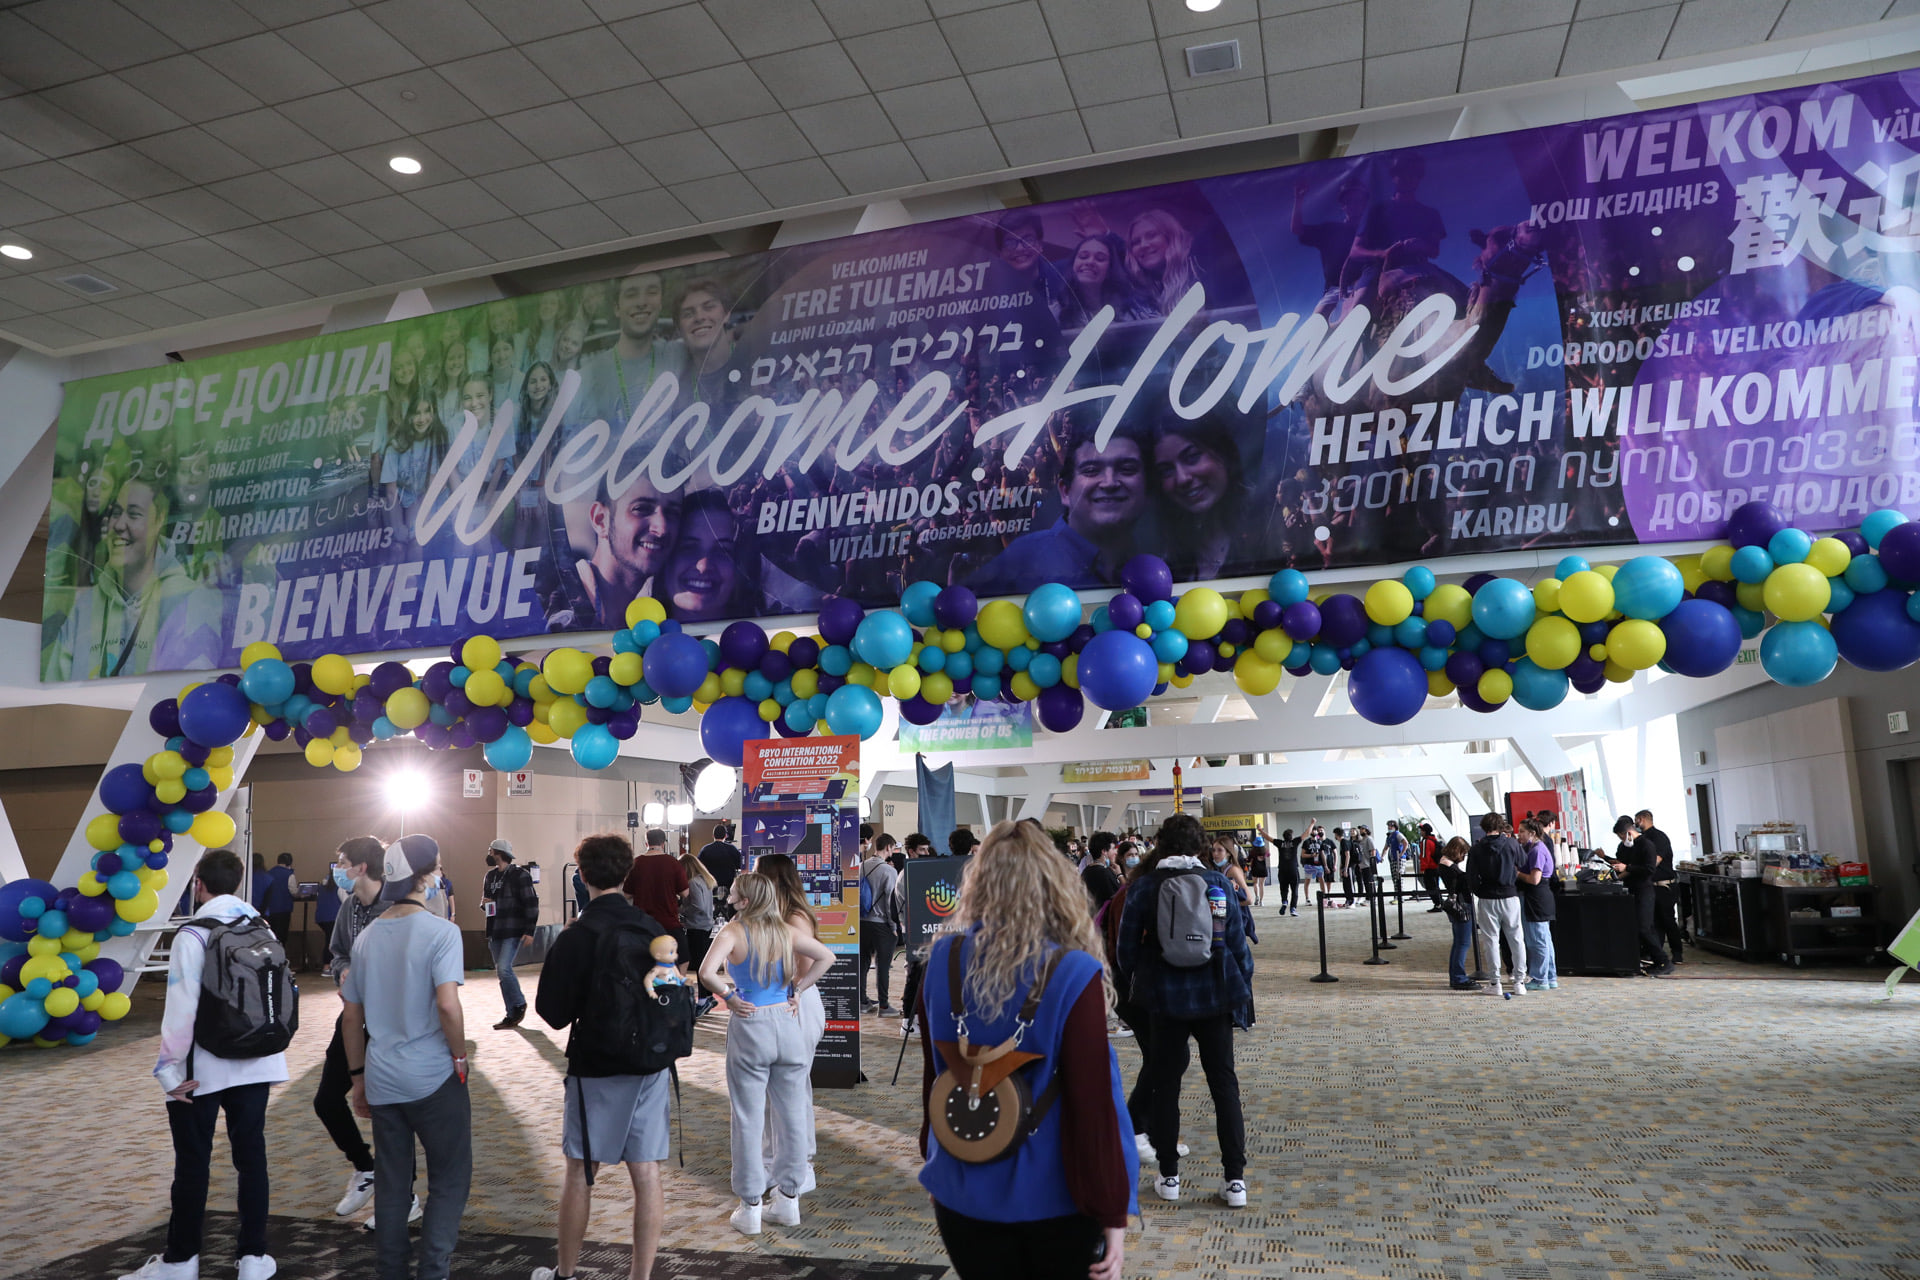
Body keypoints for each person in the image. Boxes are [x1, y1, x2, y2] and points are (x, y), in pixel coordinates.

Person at [918, 820, 1136, 1279]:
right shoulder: (1074, 972)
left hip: (961, 1184)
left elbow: (936, 1074)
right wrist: (1113, 1209)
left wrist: (934, 1157)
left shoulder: (942, 959)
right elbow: (1093, 1103)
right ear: (1053, 884)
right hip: (1056, 1197)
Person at [119, 849, 285, 1280]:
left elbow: (180, 1010)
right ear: (239, 881)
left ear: (198, 883)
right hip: (258, 1061)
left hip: (200, 1069)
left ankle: (182, 1260)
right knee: (252, 1158)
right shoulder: (262, 926)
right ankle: (253, 1257)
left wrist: (168, 1071)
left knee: (193, 1163)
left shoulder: (194, 934)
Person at [532, 834, 675, 1280]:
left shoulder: (578, 935)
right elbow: (669, 998)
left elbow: (552, 1014)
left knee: (581, 1169)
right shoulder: (651, 928)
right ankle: (640, 1276)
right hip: (649, 1065)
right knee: (646, 1170)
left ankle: (567, 1272)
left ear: (582, 875)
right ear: (626, 874)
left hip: (594, 1065)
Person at [342, 835, 471, 1280]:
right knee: (450, 1176)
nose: (440, 875)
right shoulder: (442, 933)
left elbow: (350, 1018)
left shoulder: (367, 938)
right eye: (436, 868)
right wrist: (459, 1056)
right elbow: (448, 1005)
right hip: (433, 1075)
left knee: (393, 1183)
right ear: (421, 877)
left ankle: (391, 1271)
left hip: (382, 1077)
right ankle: (433, 1270)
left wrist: (358, 1077)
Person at [1117, 813, 1252, 1208]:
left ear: (1160, 844)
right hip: (1214, 996)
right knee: (1223, 1084)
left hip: (1165, 999)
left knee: (1165, 1085)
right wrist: (1240, 987)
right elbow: (1238, 945)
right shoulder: (1219, 883)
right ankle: (1235, 1181)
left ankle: (1169, 1176)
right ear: (1200, 847)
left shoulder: (1143, 888)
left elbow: (1125, 950)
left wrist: (1144, 977)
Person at [698, 872, 837, 1236]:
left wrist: (729, 997)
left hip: (751, 1022)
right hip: (786, 1025)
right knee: (792, 1114)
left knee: (747, 1116)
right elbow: (826, 956)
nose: (729, 898)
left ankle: (750, 1206)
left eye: (734, 894)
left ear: (744, 900)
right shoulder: (785, 930)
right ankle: (788, 1200)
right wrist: (800, 990)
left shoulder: (732, 932)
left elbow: (705, 972)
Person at [970, 420, 1151, 594]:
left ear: (1147, 486)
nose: (1109, 483)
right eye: (1091, 471)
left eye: (1126, 468)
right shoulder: (1022, 558)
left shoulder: (1160, 555)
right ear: (1065, 491)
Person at [317, 837, 393, 1226]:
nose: (338, 868)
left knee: (386, 1110)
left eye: (342, 861)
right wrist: (343, 968)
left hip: (388, 1021)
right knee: (327, 1100)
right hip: (352, 1016)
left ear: (362, 867)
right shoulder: (349, 907)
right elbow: (339, 951)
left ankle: (403, 1194)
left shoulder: (394, 908)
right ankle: (366, 1167)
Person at [1150, 415, 1249, 581]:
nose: (1182, 478)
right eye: (1166, 470)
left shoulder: (1267, 521)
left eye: (1192, 457)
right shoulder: (1170, 556)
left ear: (1223, 453)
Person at [1466, 814, 1528, 1000]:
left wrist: (1479, 892)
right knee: (1516, 939)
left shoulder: (1477, 848)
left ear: (1484, 827)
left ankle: (1495, 983)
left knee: (1491, 940)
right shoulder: (1511, 844)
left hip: (1487, 898)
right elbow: (1523, 862)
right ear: (1501, 826)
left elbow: (1471, 876)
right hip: (1510, 896)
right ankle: (1519, 982)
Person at [479, 838, 538, 1031]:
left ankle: (519, 1004)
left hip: (513, 929)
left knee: (504, 968)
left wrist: (529, 931)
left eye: (491, 851)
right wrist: (485, 903)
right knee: (501, 972)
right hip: (495, 929)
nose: (488, 854)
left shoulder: (520, 875)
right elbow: (487, 903)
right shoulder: (490, 876)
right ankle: (511, 1012)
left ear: (499, 853)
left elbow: (531, 903)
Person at [1291, 173, 1370, 313]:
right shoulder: (1329, 230)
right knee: (1317, 324)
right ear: (1342, 205)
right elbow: (1297, 229)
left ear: (1364, 203)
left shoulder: (1372, 231)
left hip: (1364, 288)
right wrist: (1299, 198)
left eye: (1358, 200)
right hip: (1334, 291)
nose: (1354, 205)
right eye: (1349, 201)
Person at [1611, 816, 1674, 977]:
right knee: (1640, 928)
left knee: (1644, 928)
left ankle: (1664, 961)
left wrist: (1628, 867)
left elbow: (1649, 869)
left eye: (1621, 836)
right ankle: (1651, 960)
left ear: (1629, 833)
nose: (1621, 840)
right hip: (1633, 890)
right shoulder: (1631, 847)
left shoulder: (1647, 845)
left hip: (1645, 890)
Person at [623, 827, 690, 962]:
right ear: (663, 843)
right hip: (668, 923)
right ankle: (676, 982)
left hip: (642, 924)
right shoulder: (673, 863)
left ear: (646, 843)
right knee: (684, 958)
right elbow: (685, 893)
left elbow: (627, 895)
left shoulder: (636, 863)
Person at [859, 834, 903, 1016]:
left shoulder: (861, 866)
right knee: (882, 965)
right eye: (893, 848)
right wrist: (894, 928)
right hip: (881, 925)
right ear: (888, 848)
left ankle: (862, 1002)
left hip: (862, 922)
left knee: (862, 963)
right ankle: (884, 1006)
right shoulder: (889, 871)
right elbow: (890, 903)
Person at [1637, 809, 1685, 964]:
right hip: (1650, 886)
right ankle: (1656, 953)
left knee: (1668, 920)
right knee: (1654, 922)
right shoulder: (1641, 839)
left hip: (1664, 886)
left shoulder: (1659, 837)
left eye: (1636, 820)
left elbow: (1654, 861)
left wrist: (1636, 869)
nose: (1635, 825)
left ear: (1642, 819)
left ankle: (1677, 952)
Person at [1517, 820, 1559, 992]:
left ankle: (1540, 978)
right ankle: (1549, 976)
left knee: (1537, 940)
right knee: (1544, 939)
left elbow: (1535, 879)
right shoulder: (1537, 849)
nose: (1519, 835)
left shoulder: (1537, 851)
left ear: (1532, 833)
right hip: (1540, 898)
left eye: (1522, 831)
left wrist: (1517, 873)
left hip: (1537, 899)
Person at [1434, 836, 1479, 991]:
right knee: (1463, 943)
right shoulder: (1449, 866)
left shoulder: (1445, 863)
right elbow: (1461, 884)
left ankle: (1456, 976)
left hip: (1457, 905)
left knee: (1459, 943)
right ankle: (1458, 978)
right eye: (1463, 853)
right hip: (1461, 905)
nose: (1463, 856)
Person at [680, 850, 718, 986]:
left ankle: (704, 996)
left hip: (696, 926)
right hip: (706, 924)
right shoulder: (704, 880)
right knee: (703, 963)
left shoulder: (692, 882)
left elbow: (698, 906)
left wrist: (681, 910)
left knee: (698, 964)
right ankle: (706, 995)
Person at [257, 852, 296, 945]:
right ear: (289, 862)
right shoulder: (289, 874)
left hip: (270, 910)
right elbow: (294, 892)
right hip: (284, 909)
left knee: (272, 934)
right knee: (282, 935)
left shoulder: (268, 873)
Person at [699, 820, 744, 899]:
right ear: (726, 836)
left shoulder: (705, 849)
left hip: (711, 884)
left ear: (713, 835)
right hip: (729, 884)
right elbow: (739, 865)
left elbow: (699, 866)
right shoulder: (732, 849)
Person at [1081, 832, 1121, 913]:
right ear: (1104, 851)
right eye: (1113, 849)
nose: (1115, 852)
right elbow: (1120, 898)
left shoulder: (1087, 871)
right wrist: (1120, 875)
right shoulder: (1105, 873)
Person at [1271, 829, 1300, 917]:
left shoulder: (1280, 843)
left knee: (1283, 888)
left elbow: (1269, 838)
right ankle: (1293, 909)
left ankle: (1284, 902)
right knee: (1294, 889)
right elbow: (1306, 834)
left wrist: (1260, 830)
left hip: (1282, 870)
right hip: (1293, 869)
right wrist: (1312, 824)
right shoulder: (1295, 842)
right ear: (1292, 836)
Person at [1418, 823, 1444, 910]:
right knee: (1435, 886)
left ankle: (1438, 904)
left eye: (1421, 830)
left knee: (1430, 886)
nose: (1420, 832)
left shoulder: (1425, 841)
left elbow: (1425, 856)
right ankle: (1440, 902)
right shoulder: (1433, 840)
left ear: (1425, 831)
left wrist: (1422, 868)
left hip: (1430, 868)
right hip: (1436, 866)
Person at [1245, 832, 1268, 908]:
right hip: (1263, 869)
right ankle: (1261, 901)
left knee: (1255, 883)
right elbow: (1268, 855)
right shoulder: (1265, 851)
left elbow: (1248, 860)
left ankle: (1257, 897)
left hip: (1255, 868)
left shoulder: (1252, 852)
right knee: (1262, 885)